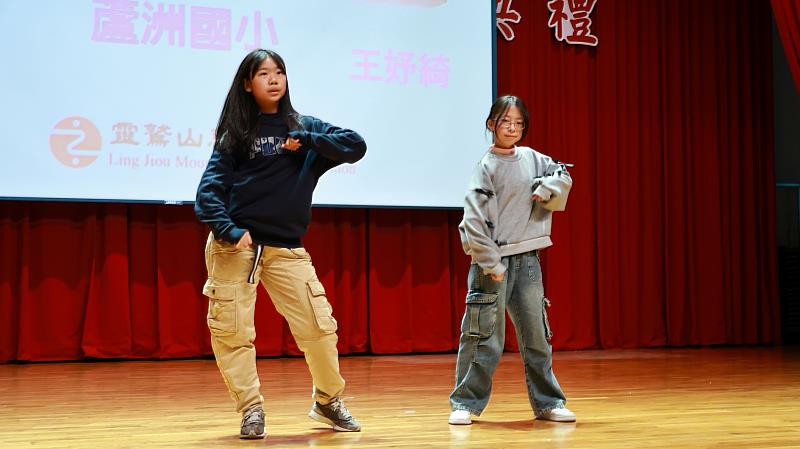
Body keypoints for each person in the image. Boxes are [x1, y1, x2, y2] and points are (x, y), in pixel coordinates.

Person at [195, 48, 366, 439]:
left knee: (319, 328)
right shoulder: (236, 134)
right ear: (247, 84)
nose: (273, 80)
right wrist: (231, 231)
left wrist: (306, 139)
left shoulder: (303, 128)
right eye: (263, 74)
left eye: (279, 73)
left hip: (286, 247)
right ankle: (251, 408)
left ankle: (328, 400)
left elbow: (355, 145)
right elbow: (208, 193)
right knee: (233, 332)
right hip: (236, 247)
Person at [448, 95, 576, 425]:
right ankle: (464, 403)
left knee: (537, 336)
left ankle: (548, 402)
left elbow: (563, 174)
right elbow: (473, 220)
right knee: (483, 337)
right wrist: (491, 263)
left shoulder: (534, 158)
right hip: (492, 264)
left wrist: (549, 186)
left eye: (519, 123)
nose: (513, 128)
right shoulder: (486, 167)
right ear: (491, 124)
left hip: (528, 259)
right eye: (506, 122)